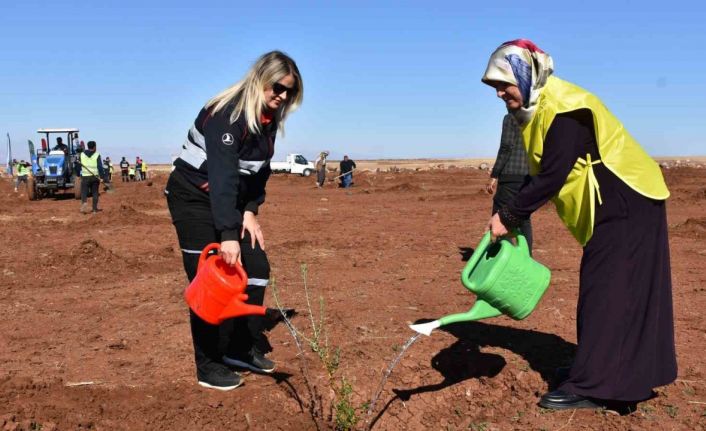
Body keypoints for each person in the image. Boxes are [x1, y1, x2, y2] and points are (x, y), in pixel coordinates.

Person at [481, 39, 676, 410]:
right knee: (614, 290)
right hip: (620, 202)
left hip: (626, 199)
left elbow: (551, 176)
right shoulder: (541, 108)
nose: (499, 94)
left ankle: (597, 386)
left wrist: (508, 216)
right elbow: (542, 172)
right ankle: (601, 368)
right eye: (495, 87)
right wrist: (509, 212)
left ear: (524, 75)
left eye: (503, 84)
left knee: (606, 291)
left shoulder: (564, 108)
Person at [165, 50, 303, 391]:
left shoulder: (267, 123)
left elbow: (257, 174)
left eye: (289, 92)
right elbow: (224, 176)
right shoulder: (227, 115)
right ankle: (209, 364)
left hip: (231, 203)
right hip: (193, 199)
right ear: (260, 79)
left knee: (255, 267)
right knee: (209, 277)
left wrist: (251, 211)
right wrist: (228, 234)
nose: (281, 96)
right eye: (277, 87)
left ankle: (240, 348)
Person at [486, 113, 533, 252]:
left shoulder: (511, 117)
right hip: (528, 174)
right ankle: (526, 260)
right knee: (524, 219)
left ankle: (500, 257)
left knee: (500, 216)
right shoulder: (534, 116)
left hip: (510, 174)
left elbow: (506, 147)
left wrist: (494, 174)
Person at [79, 141, 106, 214]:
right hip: (95, 177)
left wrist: (79, 174)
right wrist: (102, 177)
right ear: (94, 147)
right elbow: (100, 167)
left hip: (85, 177)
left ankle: (84, 203)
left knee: (84, 192)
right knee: (95, 193)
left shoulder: (82, 154)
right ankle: (94, 209)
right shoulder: (97, 155)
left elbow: (78, 165)